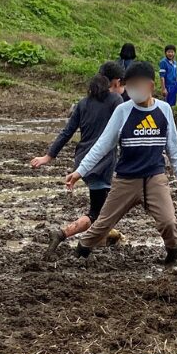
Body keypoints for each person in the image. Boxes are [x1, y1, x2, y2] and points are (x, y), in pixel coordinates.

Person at [55, 61, 177, 263]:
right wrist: (79, 172)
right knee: (102, 224)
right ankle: (80, 253)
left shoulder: (164, 109)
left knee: (169, 222)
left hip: (155, 177)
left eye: (137, 84)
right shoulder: (123, 111)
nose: (133, 89)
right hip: (126, 179)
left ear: (150, 86)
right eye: (129, 85)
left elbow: (173, 147)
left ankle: (172, 257)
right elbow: (102, 145)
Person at [31, 69, 126, 251]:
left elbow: (67, 132)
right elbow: (124, 130)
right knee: (97, 212)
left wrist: (48, 156)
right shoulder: (116, 101)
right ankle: (62, 233)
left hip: (83, 159)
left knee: (103, 207)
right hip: (102, 162)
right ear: (112, 84)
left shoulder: (82, 103)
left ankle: (104, 239)